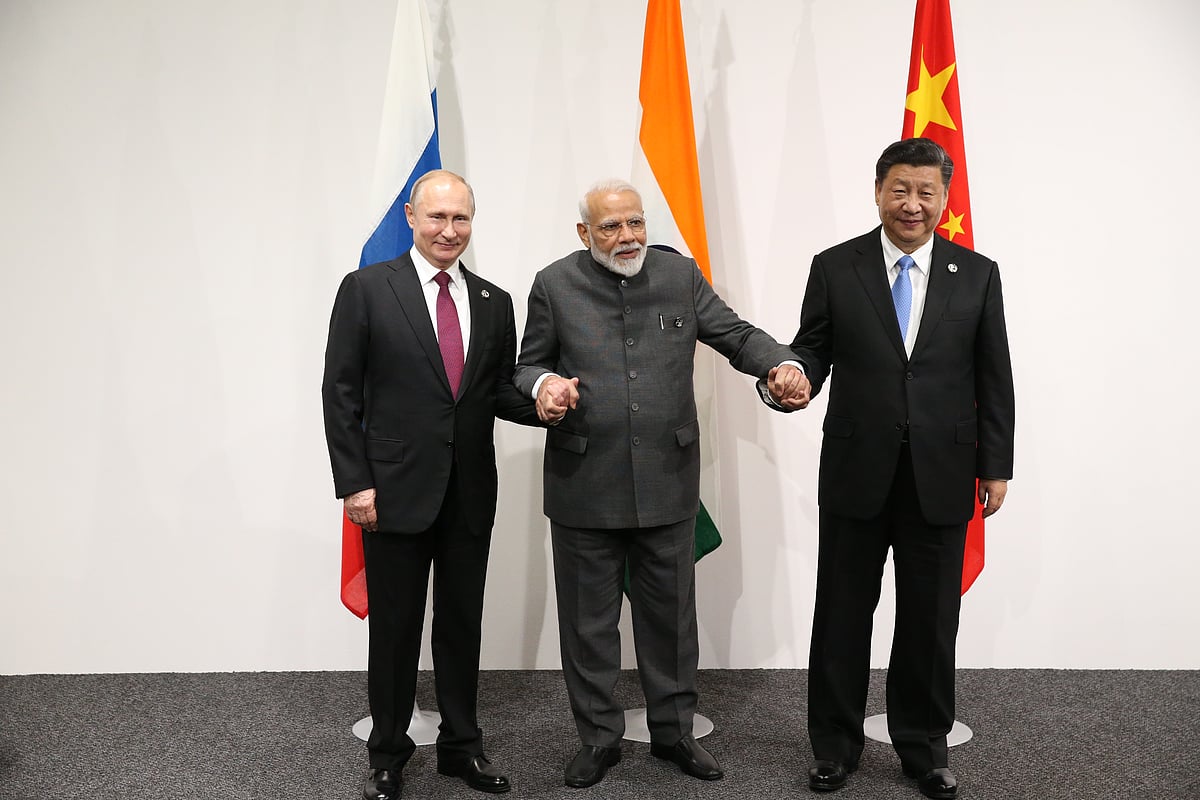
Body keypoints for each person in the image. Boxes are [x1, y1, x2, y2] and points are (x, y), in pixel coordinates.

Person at [514, 178, 804, 789]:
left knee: (671, 623)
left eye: (636, 223)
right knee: (587, 626)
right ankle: (598, 740)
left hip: (668, 484)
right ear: (584, 233)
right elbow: (528, 363)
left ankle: (674, 734)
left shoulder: (679, 276)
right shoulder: (553, 283)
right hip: (583, 485)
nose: (627, 237)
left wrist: (782, 362)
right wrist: (545, 388)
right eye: (611, 227)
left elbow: (736, 334)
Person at [764, 138, 1014, 800]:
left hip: (942, 470)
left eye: (927, 191)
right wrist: (789, 378)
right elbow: (813, 349)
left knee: (931, 619)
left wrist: (996, 465)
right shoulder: (836, 267)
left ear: (943, 199)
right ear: (878, 191)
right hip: (856, 467)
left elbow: (995, 376)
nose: (913, 203)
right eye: (900, 189)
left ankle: (924, 750)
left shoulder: (977, 273)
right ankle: (834, 748)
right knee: (842, 611)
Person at [322, 169, 539, 799]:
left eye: (462, 219)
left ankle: (460, 749)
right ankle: (388, 753)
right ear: (412, 216)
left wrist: (545, 403)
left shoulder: (495, 301)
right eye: (438, 217)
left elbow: (496, 391)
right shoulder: (366, 289)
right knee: (393, 628)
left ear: (473, 221)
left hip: (469, 492)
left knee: (461, 624)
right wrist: (354, 485)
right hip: (391, 493)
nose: (450, 231)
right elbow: (339, 393)